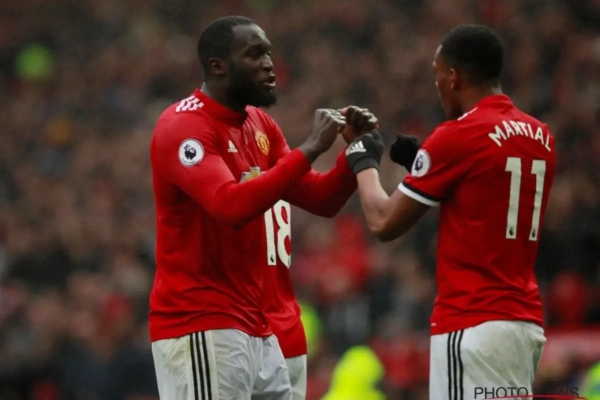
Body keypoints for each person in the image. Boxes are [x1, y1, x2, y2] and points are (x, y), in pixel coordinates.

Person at [149, 15, 376, 400]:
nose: (269, 64)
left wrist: (352, 154)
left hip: (258, 325)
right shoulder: (183, 126)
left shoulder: (260, 124)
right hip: (203, 321)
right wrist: (311, 147)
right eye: (254, 55)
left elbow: (320, 199)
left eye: (268, 53)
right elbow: (229, 206)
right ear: (218, 66)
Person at [344, 25, 556, 400]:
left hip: (471, 322)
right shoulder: (540, 136)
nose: (437, 83)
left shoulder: (458, 134)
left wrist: (362, 157)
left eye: (437, 73)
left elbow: (382, 221)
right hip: (523, 325)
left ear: (453, 77)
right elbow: (484, 194)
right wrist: (426, 167)